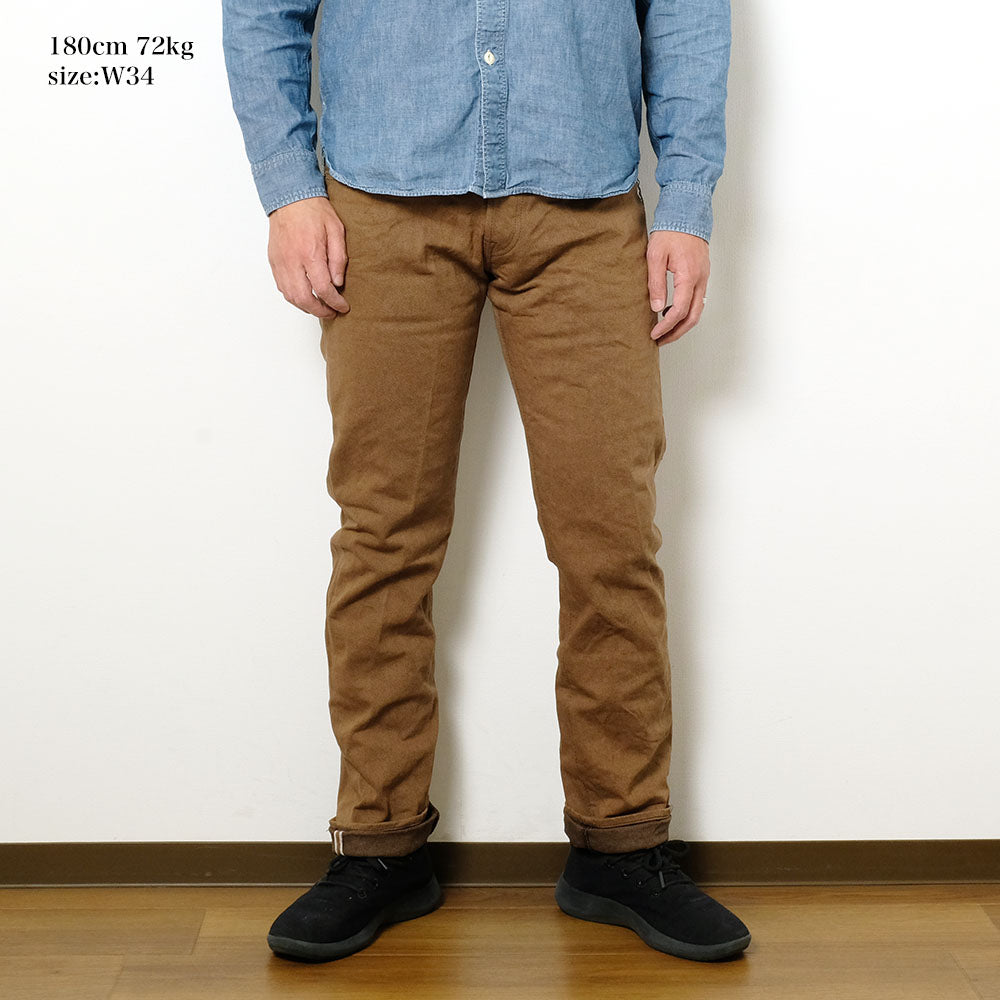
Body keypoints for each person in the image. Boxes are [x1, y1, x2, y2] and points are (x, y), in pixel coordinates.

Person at [221, 0, 751, 965]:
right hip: (381, 198)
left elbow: (686, 11)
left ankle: (622, 845)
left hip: (584, 203)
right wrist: (288, 187)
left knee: (611, 540)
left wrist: (685, 199)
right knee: (385, 536)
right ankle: (379, 844)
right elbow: (262, 10)